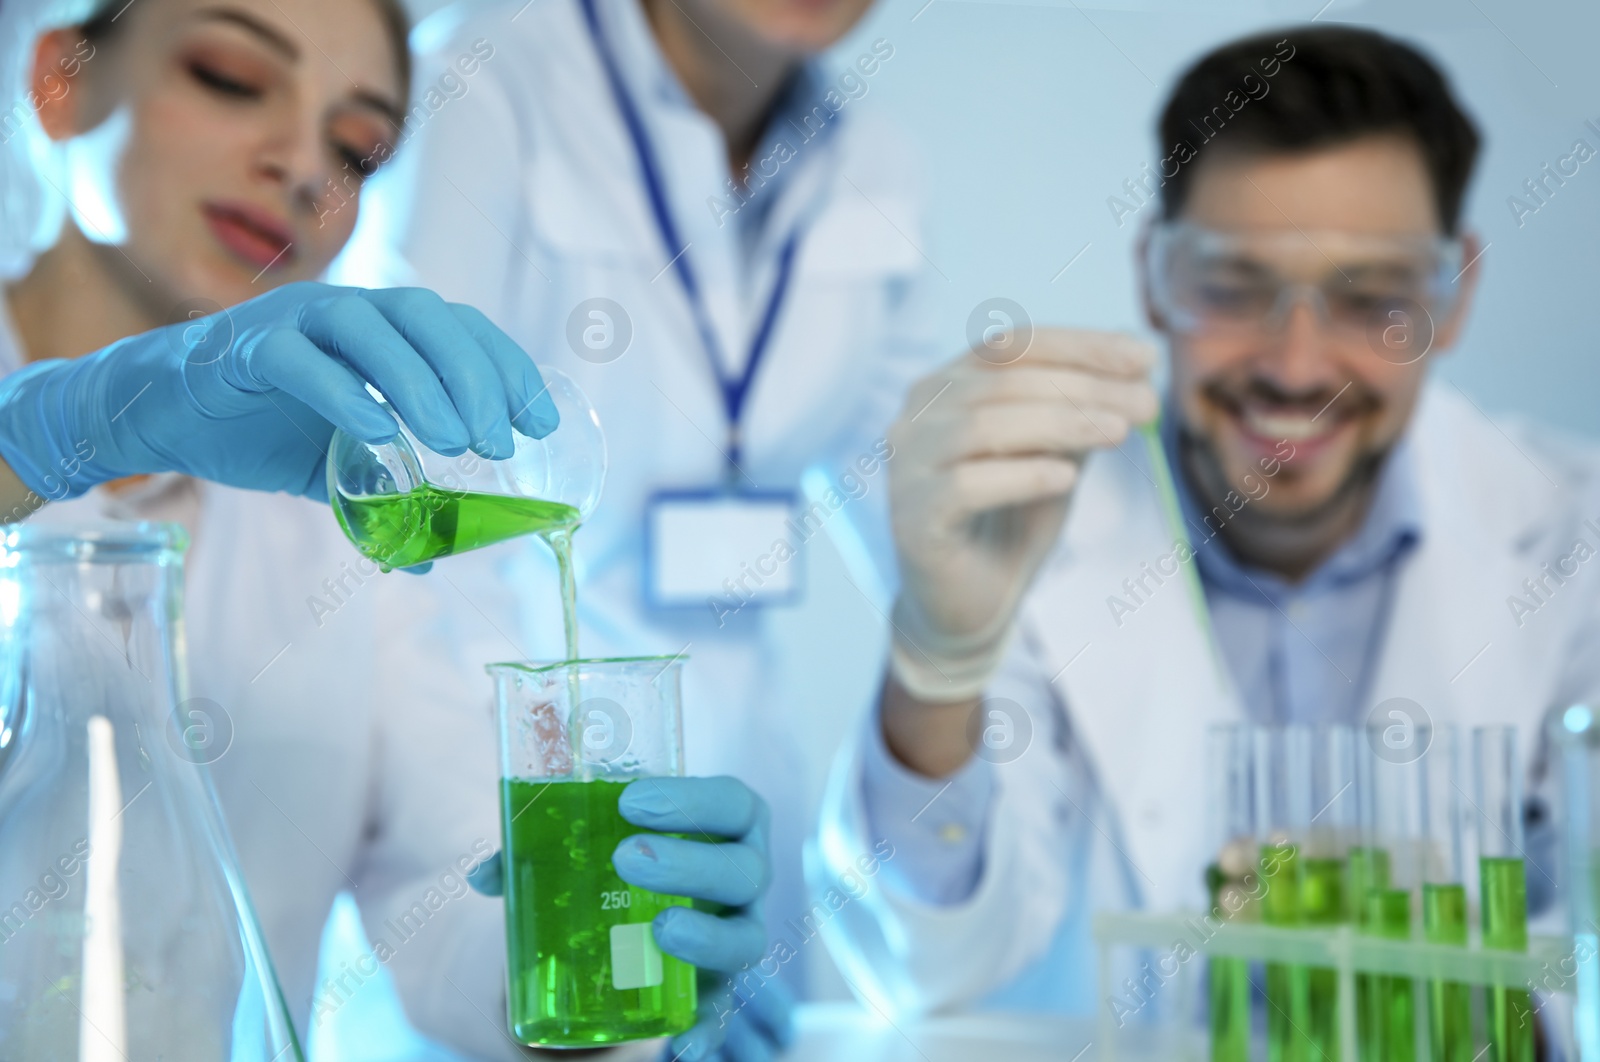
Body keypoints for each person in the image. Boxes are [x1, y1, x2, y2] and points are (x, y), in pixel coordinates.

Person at [0, 0, 777, 1058]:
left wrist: (602, 934)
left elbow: (455, 905)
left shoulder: (356, 520)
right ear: (62, 79)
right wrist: (50, 436)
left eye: (357, 146)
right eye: (231, 75)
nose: (302, 167)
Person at [813, 25, 1593, 1015]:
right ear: (1152, 275)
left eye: (1370, 297)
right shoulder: (1030, 537)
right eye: (1232, 285)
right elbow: (921, 966)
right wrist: (935, 663)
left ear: (1453, 291)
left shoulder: (1574, 543)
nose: (1297, 367)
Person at [330, 0, 942, 1017]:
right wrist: (514, 895)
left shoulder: (871, 155)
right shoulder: (489, 77)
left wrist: (960, 629)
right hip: (510, 804)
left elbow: (912, 517)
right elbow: (419, 537)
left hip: (745, 801)